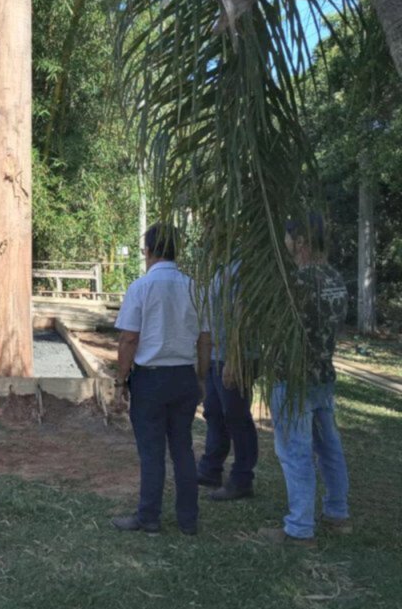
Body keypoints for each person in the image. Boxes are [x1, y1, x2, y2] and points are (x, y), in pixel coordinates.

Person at [112, 223, 210, 536]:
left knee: (152, 450)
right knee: (182, 447)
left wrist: (120, 378)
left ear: (148, 251)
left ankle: (149, 517)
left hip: (151, 379)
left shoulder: (141, 287)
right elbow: (205, 339)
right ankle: (188, 520)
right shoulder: (195, 288)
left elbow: (129, 338)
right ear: (176, 251)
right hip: (183, 376)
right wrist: (201, 378)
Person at [259, 214, 350, 546]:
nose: (285, 244)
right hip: (324, 374)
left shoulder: (295, 283)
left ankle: (299, 529)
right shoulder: (336, 278)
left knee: (296, 452)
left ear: (299, 242)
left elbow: (274, 328)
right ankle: (338, 513)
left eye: (287, 238)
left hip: (293, 378)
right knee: (329, 446)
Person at [197, 260, 260, 501]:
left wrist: (235, 358)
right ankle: (210, 468)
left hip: (234, 356)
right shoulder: (219, 264)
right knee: (213, 412)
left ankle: (242, 478)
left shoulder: (242, 266)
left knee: (236, 417)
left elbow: (245, 314)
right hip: (216, 354)